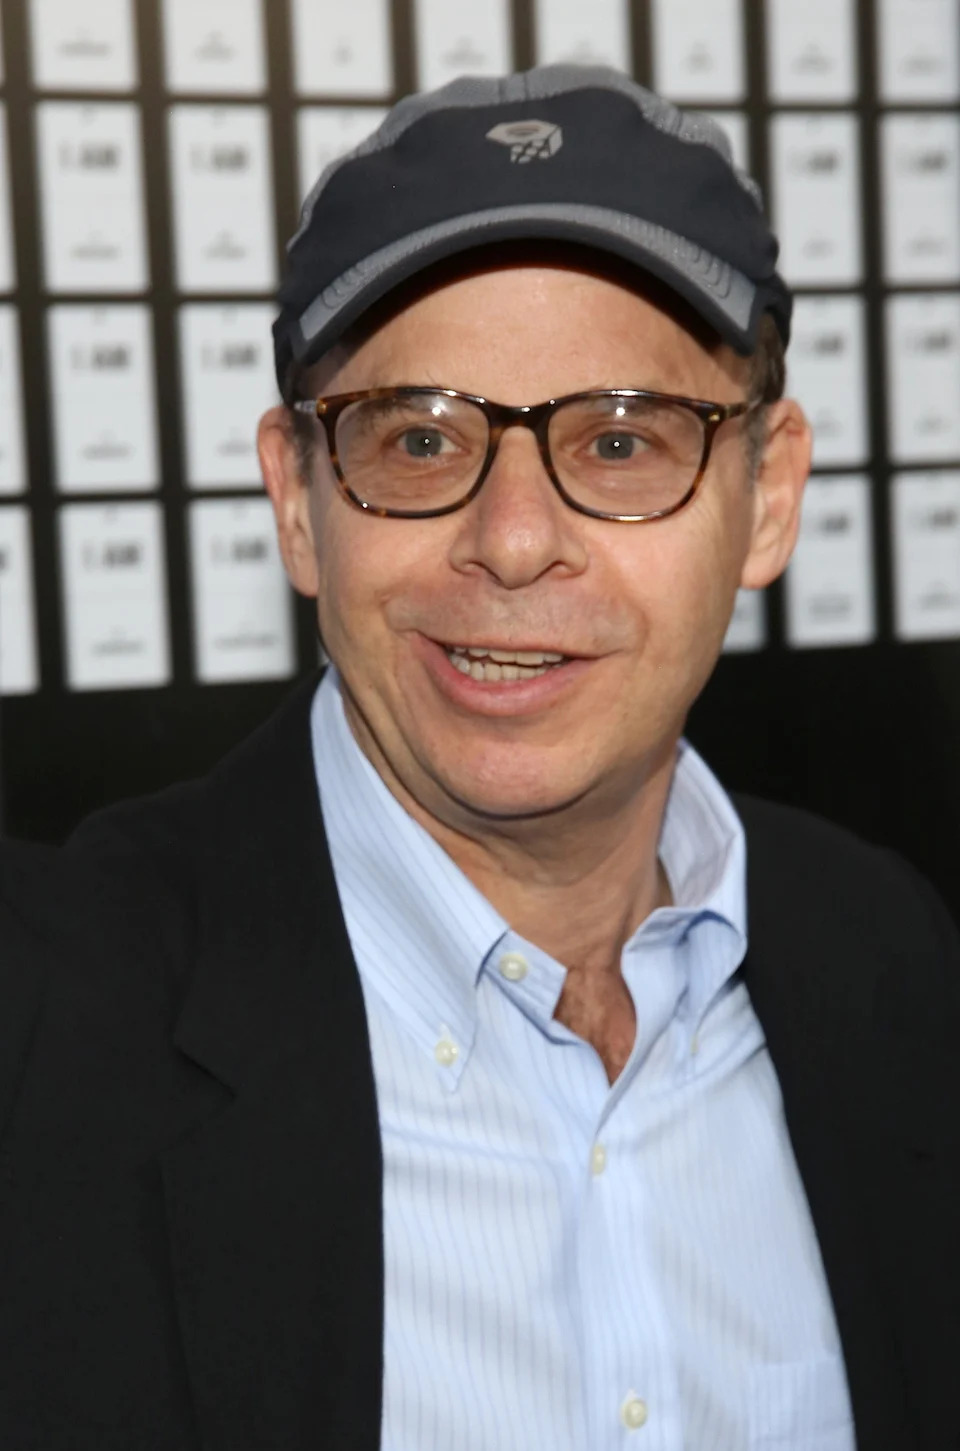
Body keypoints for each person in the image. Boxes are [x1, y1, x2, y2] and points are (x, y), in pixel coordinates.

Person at [1, 64, 958, 1451]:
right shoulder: (42, 1029)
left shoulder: (895, 963)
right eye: (420, 438)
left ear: (769, 497)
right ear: (297, 500)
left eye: (620, 440)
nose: (513, 541)